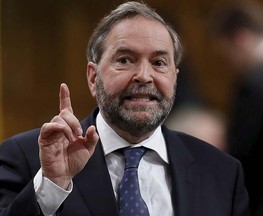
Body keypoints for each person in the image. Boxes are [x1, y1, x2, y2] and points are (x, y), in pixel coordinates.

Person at [0, 2, 249, 216]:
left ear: (174, 78)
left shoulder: (222, 173)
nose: (144, 76)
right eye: (125, 60)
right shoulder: (25, 158)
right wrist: (52, 184)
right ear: (92, 78)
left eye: (158, 62)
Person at [209, 1, 263, 215]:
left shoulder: (257, 85)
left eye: (226, 56)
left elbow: (240, 162)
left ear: (240, 39)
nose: (230, 65)